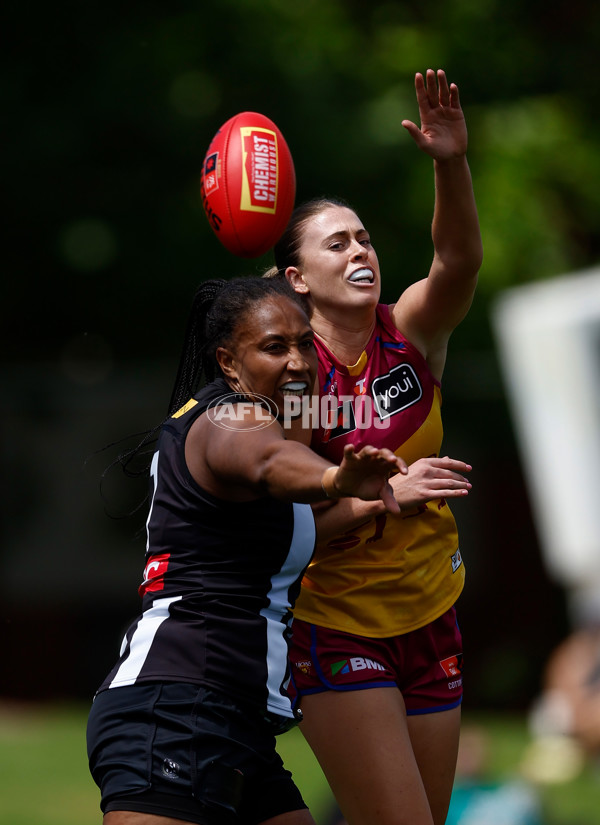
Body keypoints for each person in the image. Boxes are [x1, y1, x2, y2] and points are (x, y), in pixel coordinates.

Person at [86, 276, 407, 825]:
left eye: (306, 343)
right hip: (174, 708)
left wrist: (380, 496)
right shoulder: (230, 420)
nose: (299, 361)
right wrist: (337, 476)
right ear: (228, 363)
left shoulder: (274, 419)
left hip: (236, 719)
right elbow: (270, 462)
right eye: (274, 347)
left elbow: (295, 488)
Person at [266, 69, 482, 825]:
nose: (360, 250)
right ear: (299, 278)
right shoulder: (291, 380)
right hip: (337, 627)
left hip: (432, 616)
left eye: (364, 237)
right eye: (337, 243)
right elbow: (281, 538)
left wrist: (449, 162)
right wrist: (382, 494)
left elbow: (456, 265)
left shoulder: (410, 332)